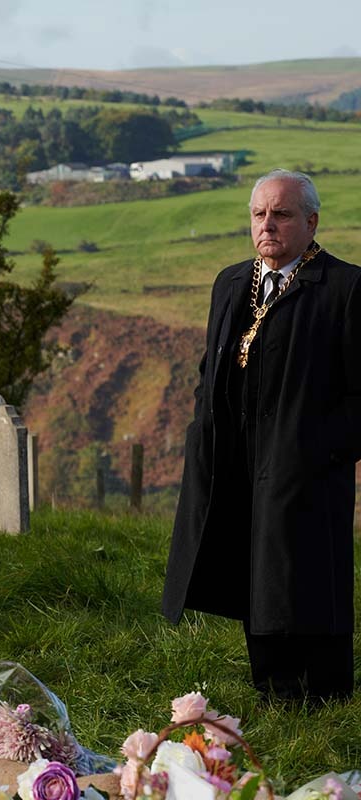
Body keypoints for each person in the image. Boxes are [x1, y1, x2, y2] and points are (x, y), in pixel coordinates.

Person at [163, 169, 361, 701]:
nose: (267, 225)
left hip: (310, 472)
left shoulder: (345, 287)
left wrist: (321, 450)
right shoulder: (231, 282)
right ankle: (271, 695)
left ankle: (324, 702)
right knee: (258, 581)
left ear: (312, 221)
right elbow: (212, 370)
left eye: (282, 214)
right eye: (259, 214)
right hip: (239, 463)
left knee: (309, 582)